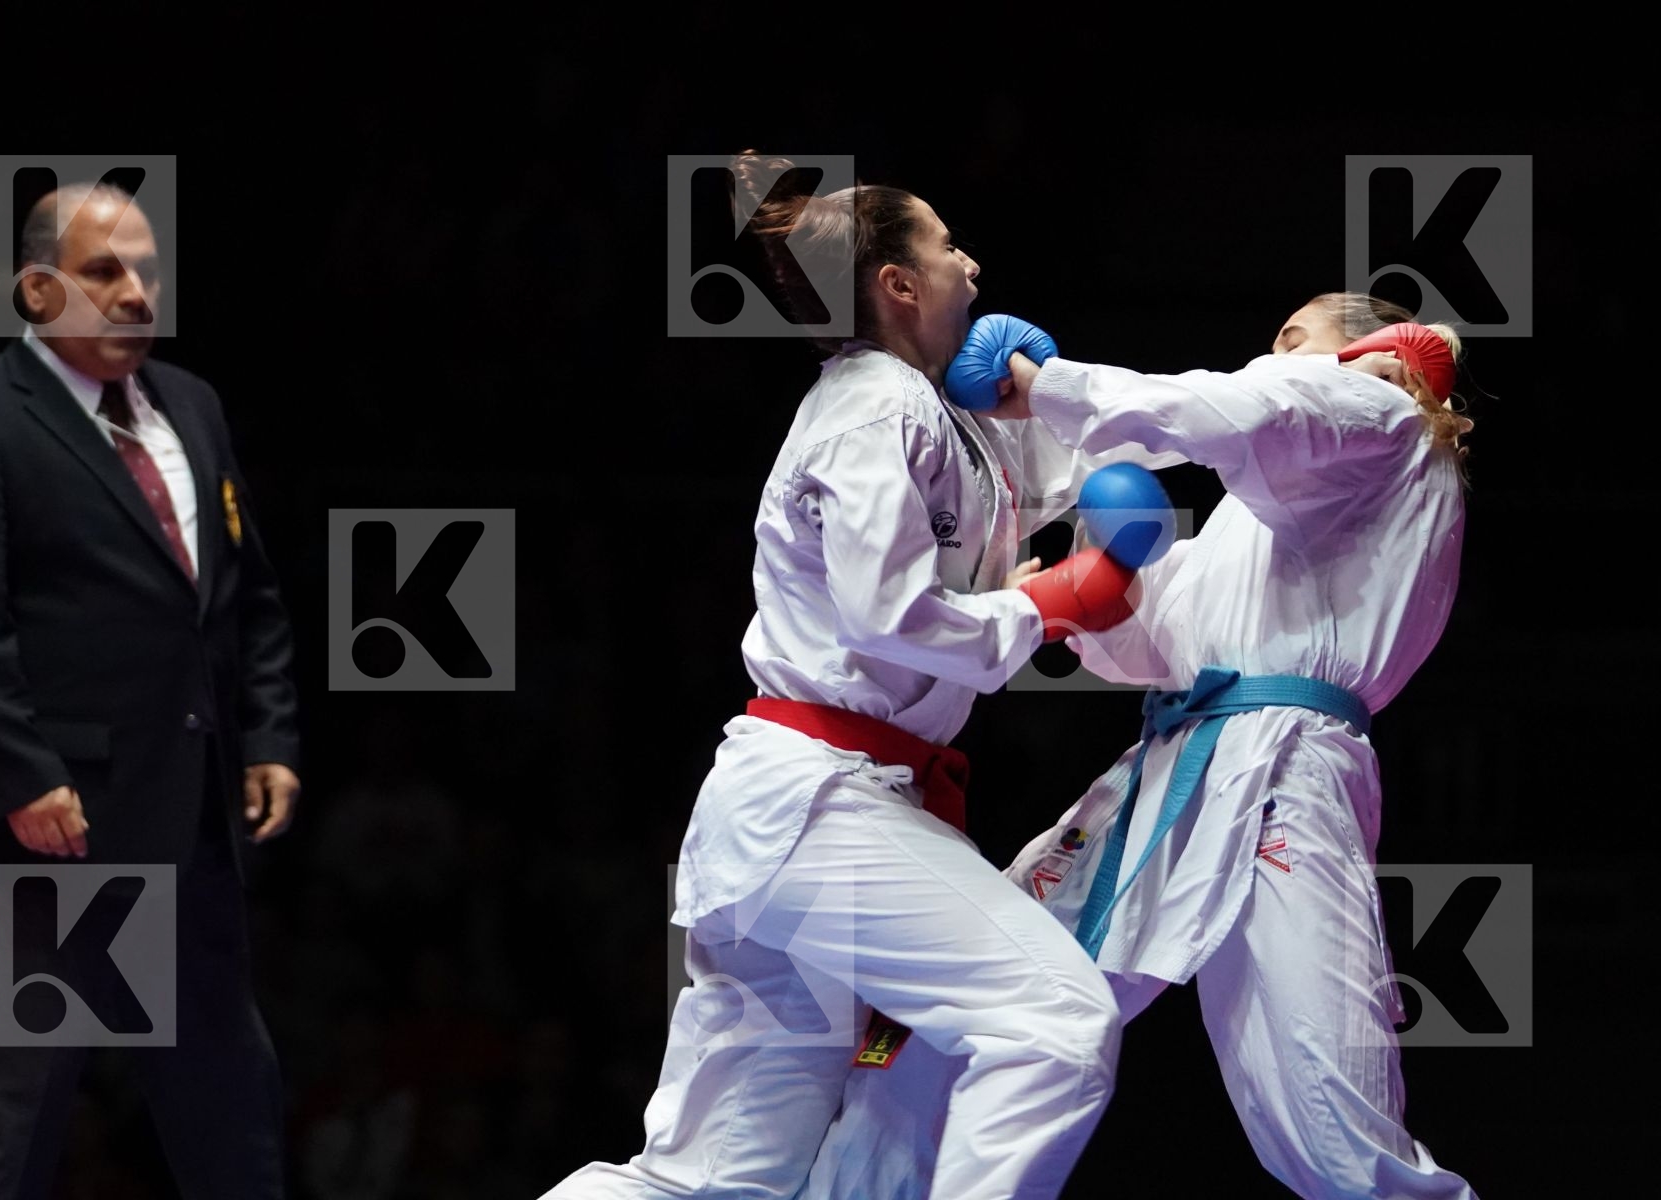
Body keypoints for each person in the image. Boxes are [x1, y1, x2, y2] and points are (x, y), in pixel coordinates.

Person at [538, 152, 1190, 1199]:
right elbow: (886, 618)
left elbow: (1105, 447)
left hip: (805, 817)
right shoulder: (874, 405)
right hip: (819, 803)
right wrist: (1047, 602)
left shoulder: (938, 422)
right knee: (1054, 1022)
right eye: (947, 248)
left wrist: (1282, 400)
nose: (972, 266)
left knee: (712, 1181)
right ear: (897, 284)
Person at [797, 293, 1481, 1199]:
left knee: (1330, 1123)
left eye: (1293, 334)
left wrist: (1048, 388)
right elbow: (1156, 642)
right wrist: (1105, 574)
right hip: (1172, 765)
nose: (1274, 348)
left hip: (1284, 776)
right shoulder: (1277, 506)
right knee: (962, 1006)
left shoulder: (1383, 417)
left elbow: (1240, 407)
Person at [0, 180, 303, 1198]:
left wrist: (270, 738)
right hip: (53, 840)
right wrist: (19, 775)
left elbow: (243, 595)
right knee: (8, 1124)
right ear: (37, 290)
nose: (134, 293)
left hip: (192, 825)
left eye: (147, 272)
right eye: (104, 271)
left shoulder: (191, 407)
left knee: (230, 1110)